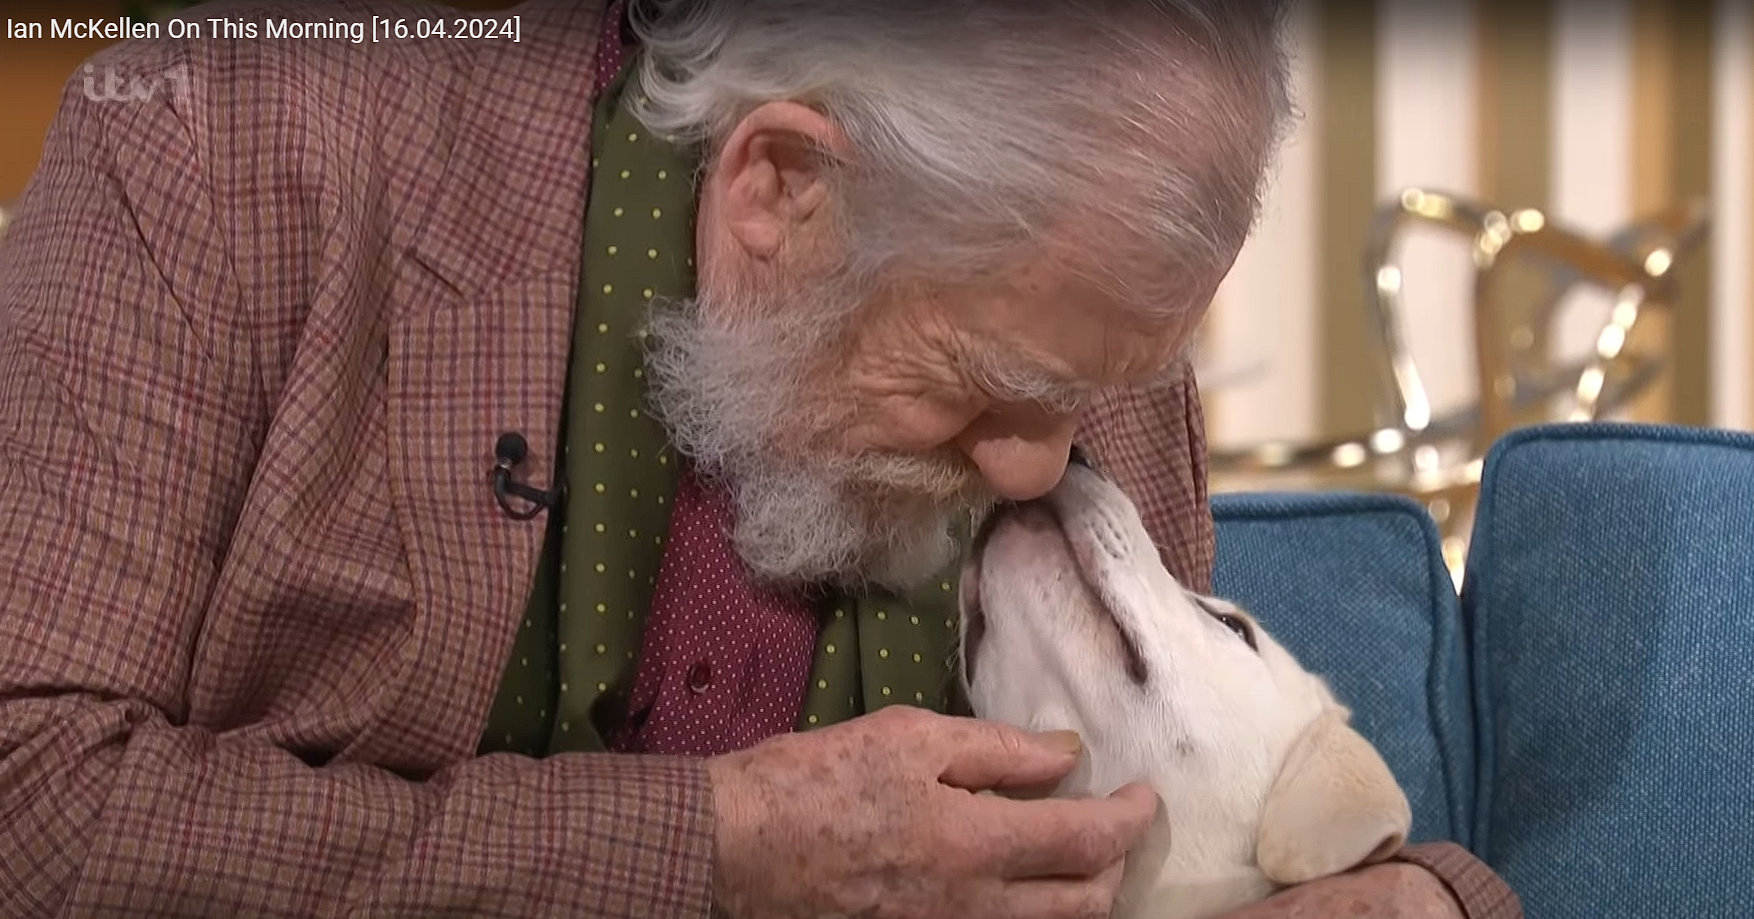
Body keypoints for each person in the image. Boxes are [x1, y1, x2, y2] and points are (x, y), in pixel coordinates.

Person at [0, 0, 1520, 916]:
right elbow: (34, 809)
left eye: (1094, 391)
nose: (1041, 472)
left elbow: (1175, 842)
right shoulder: (229, 138)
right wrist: (710, 849)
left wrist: (1415, 896)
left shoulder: (1062, 342)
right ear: (780, 185)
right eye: (992, 385)